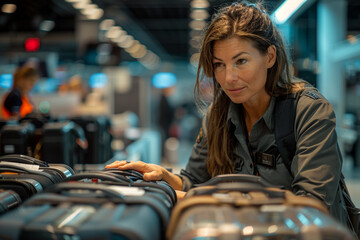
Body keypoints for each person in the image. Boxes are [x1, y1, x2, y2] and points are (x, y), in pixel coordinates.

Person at [106, 0, 349, 228]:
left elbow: (312, 206)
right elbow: (195, 181)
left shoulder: (308, 111)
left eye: (240, 61)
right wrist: (164, 176)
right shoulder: (218, 115)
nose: (228, 78)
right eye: (219, 64)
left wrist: (216, 202)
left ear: (270, 57)